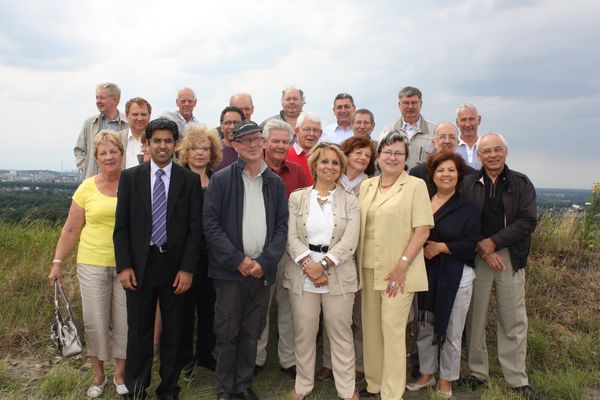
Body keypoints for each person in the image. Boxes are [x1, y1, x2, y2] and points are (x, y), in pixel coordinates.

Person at [114, 118, 204, 400]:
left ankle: (169, 388)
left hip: (175, 267)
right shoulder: (130, 178)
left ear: (176, 145)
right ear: (147, 144)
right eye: (157, 141)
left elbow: (195, 230)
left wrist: (188, 269)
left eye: (168, 141)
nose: (162, 146)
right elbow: (122, 227)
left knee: (174, 331)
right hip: (140, 266)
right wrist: (125, 265)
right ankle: (137, 388)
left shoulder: (189, 180)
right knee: (138, 330)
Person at [203, 121, 288, 400]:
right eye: (245, 141)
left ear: (263, 143)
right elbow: (211, 224)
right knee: (227, 331)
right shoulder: (221, 179)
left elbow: (281, 227)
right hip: (230, 272)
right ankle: (225, 388)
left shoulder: (274, 182)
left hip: (261, 272)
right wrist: (238, 260)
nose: (252, 144)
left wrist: (265, 261)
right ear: (235, 146)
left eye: (256, 139)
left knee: (252, 330)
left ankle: (243, 385)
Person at [460, 132, 539, 400]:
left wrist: (494, 243)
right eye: (486, 151)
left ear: (506, 151)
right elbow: (463, 219)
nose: (492, 155)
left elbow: (528, 221)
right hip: (477, 253)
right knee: (476, 316)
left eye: (497, 150)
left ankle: (517, 378)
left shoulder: (521, 183)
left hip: (509, 254)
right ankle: (477, 374)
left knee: (513, 317)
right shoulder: (468, 182)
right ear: (478, 155)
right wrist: (483, 246)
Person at [49, 130, 128, 398]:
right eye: (103, 152)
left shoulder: (133, 184)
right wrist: (57, 262)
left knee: (124, 321)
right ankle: (98, 375)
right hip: (92, 263)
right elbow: (71, 229)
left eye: (113, 151)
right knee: (95, 321)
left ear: (121, 153)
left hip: (127, 265)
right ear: (96, 157)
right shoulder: (86, 188)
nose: (108, 157)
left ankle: (120, 375)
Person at [357, 131, 433, 400]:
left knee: (392, 330)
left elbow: (422, 230)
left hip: (398, 272)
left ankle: (391, 392)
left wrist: (402, 265)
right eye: (387, 152)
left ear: (406, 158)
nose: (392, 157)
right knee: (372, 328)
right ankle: (374, 383)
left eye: (398, 153)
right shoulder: (367, 186)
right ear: (378, 157)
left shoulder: (415, 186)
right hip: (367, 268)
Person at [284, 143, 360, 400]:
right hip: (303, 272)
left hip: (338, 272)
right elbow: (291, 236)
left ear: (341, 168)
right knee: (304, 332)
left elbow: (350, 240)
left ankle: (347, 388)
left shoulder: (350, 200)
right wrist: (310, 266)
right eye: (324, 161)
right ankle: (302, 385)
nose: (329, 167)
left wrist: (324, 264)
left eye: (335, 163)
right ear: (314, 165)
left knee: (340, 332)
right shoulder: (298, 197)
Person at [405, 151, 481, 399]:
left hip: (456, 274)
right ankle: (427, 374)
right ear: (432, 175)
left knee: (452, 329)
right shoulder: (422, 202)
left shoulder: (468, 208)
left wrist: (441, 247)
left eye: (451, 170)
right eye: (441, 170)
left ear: (459, 176)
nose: (446, 174)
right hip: (426, 273)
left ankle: (447, 379)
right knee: (425, 324)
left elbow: (471, 242)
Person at [317, 135, 376, 384]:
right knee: (334, 315)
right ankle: (330, 363)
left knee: (359, 317)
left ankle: (360, 365)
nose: (362, 158)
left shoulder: (371, 185)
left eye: (367, 155)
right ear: (346, 154)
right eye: (358, 153)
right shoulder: (330, 178)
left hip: (360, 255)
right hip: (329, 257)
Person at [255, 119, 311, 378]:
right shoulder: (254, 171)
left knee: (289, 306)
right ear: (264, 143)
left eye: (284, 142)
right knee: (260, 307)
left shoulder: (298, 171)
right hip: (262, 250)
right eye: (274, 141)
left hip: (291, 249)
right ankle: (257, 357)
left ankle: (288, 359)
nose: (279, 146)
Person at [177, 125, 223, 373]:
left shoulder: (218, 180)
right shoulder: (178, 179)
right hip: (184, 257)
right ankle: (184, 359)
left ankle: (205, 354)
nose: (200, 153)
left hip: (213, 256)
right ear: (186, 151)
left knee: (209, 308)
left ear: (212, 152)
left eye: (205, 148)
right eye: (194, 148)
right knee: (184, 310)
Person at [75, 82, 129, 178]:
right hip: (94, 181)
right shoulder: (89, 123)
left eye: (102, 98)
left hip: (120, 181)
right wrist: (87, 168)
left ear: (115, 100)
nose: (98, 101)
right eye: (97, 98)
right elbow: (79, 150)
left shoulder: (128, 124)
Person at [410, 122, 476, 195]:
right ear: (434, 143)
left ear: (457, 143)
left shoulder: (471, 174)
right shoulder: (417, 173)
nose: (447, 141)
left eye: (452, 137)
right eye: (442, 137)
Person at [379, 86, 437, 170]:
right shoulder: (388, 130)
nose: (410, 107)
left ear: (420, 104)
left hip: (424, 182)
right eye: (406, 103)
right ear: (399, 105)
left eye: (414, 103)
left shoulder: (434, 130)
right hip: (394, 181)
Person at [286, 112, 323, 184]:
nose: (311, 134)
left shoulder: (325, 157)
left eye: (315, 130)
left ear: (320, 133)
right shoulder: (285, 155)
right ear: (296, 131)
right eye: (307, 129)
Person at [119, 97, 152, 169]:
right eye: (135, 114)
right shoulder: (117, 140)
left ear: (149, 116)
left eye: (143, 114)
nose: (139, 118)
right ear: (127, 116)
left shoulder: (158, 140)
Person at [214, 106, 244, 171]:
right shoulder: (214, 150)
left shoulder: (250, 149)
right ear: (221, 127)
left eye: (236, 122)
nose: (232, 127)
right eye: (227, 123)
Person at [455, 103, 483, 169]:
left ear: (479, 120)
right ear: (457, 122)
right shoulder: (451, 148)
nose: (467, 124)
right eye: (463, 120)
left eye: (471, 119)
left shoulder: (487, 146)